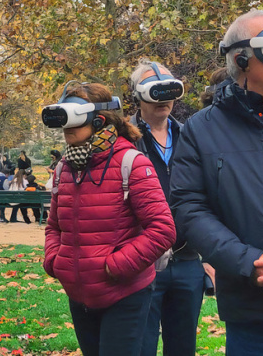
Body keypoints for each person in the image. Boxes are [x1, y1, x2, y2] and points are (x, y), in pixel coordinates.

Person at [171, 9, 263, 356]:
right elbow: (189, 207)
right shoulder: (201, 131)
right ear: (241, 58)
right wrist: (250, 262)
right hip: (251, 316)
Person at [42, 82, 175, 356]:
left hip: (124, 295)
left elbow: (162, 229)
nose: (66, 128)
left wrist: (116, 266)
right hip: (79, 295)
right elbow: (54, 225)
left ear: (99, 121)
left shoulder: (132, 164)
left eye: (73, 119)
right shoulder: (64, 169)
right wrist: (55, 260)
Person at [129, 60, 205, 356]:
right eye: (154, 90)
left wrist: (207, 257)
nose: (163, 99)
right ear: (138, 95)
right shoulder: (124, 139)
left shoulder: (192, 135)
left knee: (183, 347)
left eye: (169, 90)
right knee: (141, 346)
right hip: (142, 262)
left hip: (187, 259)